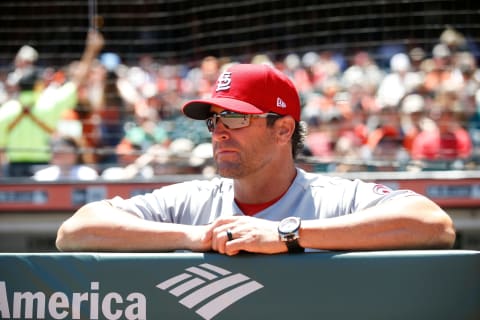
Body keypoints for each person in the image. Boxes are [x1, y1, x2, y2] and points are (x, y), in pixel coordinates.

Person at [56, 63, 455, 255]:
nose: (219, 131)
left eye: (234, 117)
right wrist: (192, 236)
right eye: (215, 120)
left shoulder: (334, 197)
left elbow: (435, 225)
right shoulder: (193, 202)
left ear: (283, 130)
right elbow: (75, 230)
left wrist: (287, 235)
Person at [0, 30, 104, 177]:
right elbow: (78, 82)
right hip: (43, 168)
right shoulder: (50, 103)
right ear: (38, 85)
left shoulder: (6, 110)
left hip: (13, 171)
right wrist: (91, 49)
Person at [32, 135, 98, 181]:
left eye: (63, 151)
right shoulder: (42, 175)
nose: (57, 152)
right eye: (55, 151)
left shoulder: (88, 175)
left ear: (75, 154)